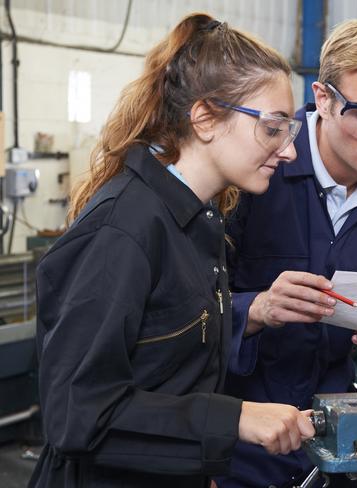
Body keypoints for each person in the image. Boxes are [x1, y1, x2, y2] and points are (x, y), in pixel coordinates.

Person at [29, 13, 315, 488]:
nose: (288, 151)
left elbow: (171, 376)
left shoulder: (202, 219)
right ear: (204, 117)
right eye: (272, 128)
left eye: (291, 130)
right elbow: (76, 414)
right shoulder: (123, 231)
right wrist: (234, 420)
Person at [219, 19, 357, 488]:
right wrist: (255, 309)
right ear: (323, 99)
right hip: (238, 437)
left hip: (333, 434)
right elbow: (181, 310)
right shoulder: (254, 169)